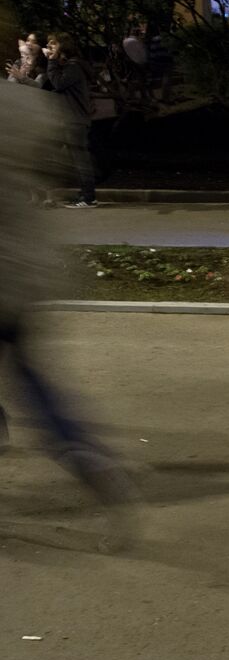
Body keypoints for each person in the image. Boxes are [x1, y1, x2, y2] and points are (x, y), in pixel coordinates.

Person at [0, 78, 137, 547]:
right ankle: (91, 459)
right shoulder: (27, 103)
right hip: (22, 267)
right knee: (34, 380)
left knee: (27, 378)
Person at [39, 33, 97, 208]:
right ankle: (85, 195)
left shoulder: (73, 67)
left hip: (74, 121)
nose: (50, 48)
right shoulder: (70, 66)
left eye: (53, 44)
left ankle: (88, 198)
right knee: (75, 160)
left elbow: (58, 83)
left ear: (63, 47)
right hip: (71, 120)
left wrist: (51, 61)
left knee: (80, 161)